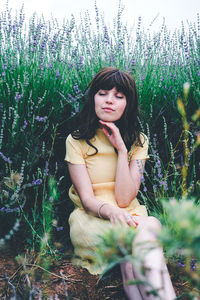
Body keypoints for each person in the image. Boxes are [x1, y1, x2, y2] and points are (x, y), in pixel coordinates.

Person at [64, 67, 176, 300]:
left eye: (119, 96)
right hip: (94, 218)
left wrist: (122, 150)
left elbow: (125, 198)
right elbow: (86, 200)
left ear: (128, 103)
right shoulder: (77, 140)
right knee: (148, 231)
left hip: (129, 215)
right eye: (103, 93)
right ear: (93, 97)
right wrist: (111, 211)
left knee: (135, 258)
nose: (109, 101)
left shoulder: (138, 141)